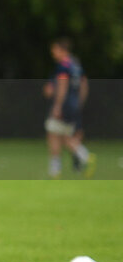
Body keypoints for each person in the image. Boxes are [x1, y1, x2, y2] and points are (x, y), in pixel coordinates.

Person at [44, 38, 96, 178]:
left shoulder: (63, 66)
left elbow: (62, 86)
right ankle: (81, 158)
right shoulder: (76, 65)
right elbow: (84, 85)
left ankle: (58, 168)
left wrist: (58, 106)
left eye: (55, 50)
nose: (53, 53)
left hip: (64, 105)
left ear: (62, 50)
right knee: (65, 135)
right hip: (74, 106)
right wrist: (79, 104)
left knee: (53, 133)